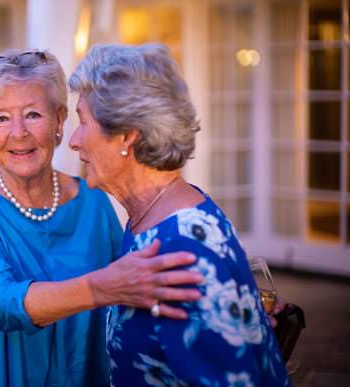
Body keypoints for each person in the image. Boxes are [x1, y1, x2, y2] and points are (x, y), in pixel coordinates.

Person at [0, 50, 204, 387]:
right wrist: (103, 287)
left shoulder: (92, 202)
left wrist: (213, 306)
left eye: (33, 114)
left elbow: (137, 287)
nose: (18, 133)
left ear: (59, 121)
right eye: (1, 118)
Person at [68, 43, 291, 386]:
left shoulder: (180, 249)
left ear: (127, 135)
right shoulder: (149, 219)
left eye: (83, 122)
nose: (73, 140)